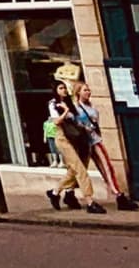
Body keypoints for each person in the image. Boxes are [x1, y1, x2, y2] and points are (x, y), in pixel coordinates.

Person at [69, 78, 136, 210]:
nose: (88, 92)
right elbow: (71, 123)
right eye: (85, 90)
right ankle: (67, 192)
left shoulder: (91, 108)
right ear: (78, 92)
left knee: (106, 167)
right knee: (78, 171)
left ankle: (118, 194)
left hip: (94, 140)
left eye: (88, 89)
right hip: (83, 143)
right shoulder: (75, 109)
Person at [45, 81, 102, 214]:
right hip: (63, 138)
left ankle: (55, 192)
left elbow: (76, 120)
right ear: (55, 90)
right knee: (80, 170)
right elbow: (56, 121)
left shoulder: (69, 102)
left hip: (75, 138)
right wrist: (65, 110)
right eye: (60, 88)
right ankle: (90, 201)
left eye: (64, 87)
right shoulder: (54, 104)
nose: (63, 90)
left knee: (73, 170)